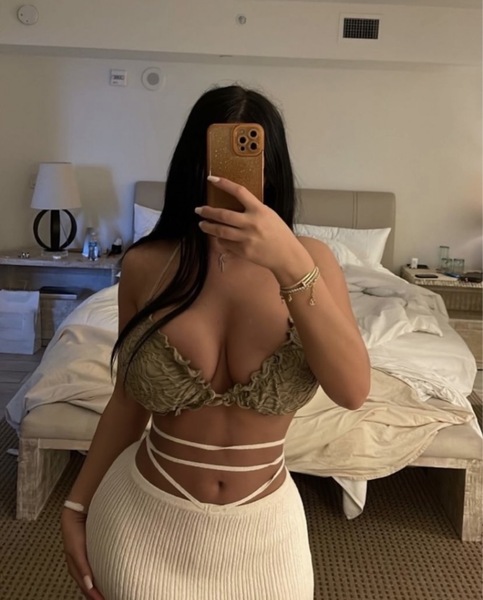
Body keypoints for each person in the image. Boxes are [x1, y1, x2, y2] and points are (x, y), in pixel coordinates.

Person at [61, 84, 370, 600]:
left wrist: (289, 264)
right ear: (192, 166)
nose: (230, 179)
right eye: (218, 162)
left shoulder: (312, 261)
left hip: (266, 532)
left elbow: (353, 390)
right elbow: (127, 402)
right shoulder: (144, 264)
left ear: (272, 169)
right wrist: (76, 505)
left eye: (250, 159)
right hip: (142, 521)